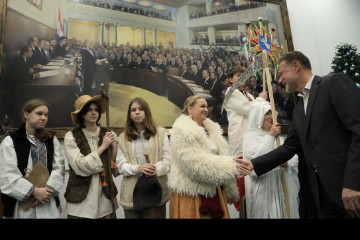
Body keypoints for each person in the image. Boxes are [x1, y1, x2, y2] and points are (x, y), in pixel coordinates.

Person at [238, 51, 360, 218]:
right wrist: (254, 164)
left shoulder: (333, 83)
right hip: (321, 195)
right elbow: (290, 147)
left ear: (296, 66)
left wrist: (353, 182)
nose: (280, 79)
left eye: (281, 73)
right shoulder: (298, 109)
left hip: (349, 189)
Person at [168, 95, 240, 219]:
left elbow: (220, 155)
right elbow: (193, 163)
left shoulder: (212, 129)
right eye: (202, 106)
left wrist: (229, 187)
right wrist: (229, 167)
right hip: (192, 192)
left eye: (207, 106)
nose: (206, 109)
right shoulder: (182, 130)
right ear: (190, 109)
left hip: (213, 188)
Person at [0, 99, 65, 218]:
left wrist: (46, 192)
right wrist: (34, 192)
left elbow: (59, 168)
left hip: (47, 202)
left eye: (46, 115)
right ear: (26, 114)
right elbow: (7, 174)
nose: (43, 118)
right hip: (21, 205)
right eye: (39, 113)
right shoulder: (11, 141)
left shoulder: (51, 139)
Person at [63, 95, 119, 219]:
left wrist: (114, 148)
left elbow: (112, 168)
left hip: (105, 197)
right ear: (81, 114)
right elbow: (80, 166)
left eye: (96, 110)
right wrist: (103, 146)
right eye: (89, 110)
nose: (94, 113)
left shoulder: (108, 134)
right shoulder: (71, 136)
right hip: (80, 200)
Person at [222, 66, 267, 216]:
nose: (242, 79)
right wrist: (261, 99)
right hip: (240, 139)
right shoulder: (231, 92)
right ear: (230, 79)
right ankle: (244, 212)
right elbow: (249, 110)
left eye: (244, 76)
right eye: (237, 76)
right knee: (242, 180)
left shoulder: (248, 94)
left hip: (252, 139)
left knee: (251, 179)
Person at [242, 101, 299, 218]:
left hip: (282, 186)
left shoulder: (279, 137)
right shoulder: (250, 137)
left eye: (272, 113)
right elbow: (255, 159)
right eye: (267, 113)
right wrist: (271, 136)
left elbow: (294, 156)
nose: (271, 117)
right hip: (264, 189)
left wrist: (286, 161)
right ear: (258, 116)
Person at [117, 97, 170, 219]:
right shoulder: (123, 138)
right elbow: (121, 166)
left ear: (146, 112)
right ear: (130, 115)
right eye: (133, 110)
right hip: (132, 194)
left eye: (140, 109)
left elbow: (168, 161)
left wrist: (154, 168)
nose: (137, 112)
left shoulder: (160, 133)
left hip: (155, 191)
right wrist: (138, 168)